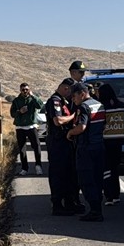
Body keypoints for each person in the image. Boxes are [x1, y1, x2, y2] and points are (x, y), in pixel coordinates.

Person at [66, 81, 106, 222]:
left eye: (74, 96)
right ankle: (97, 208)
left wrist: (70, 133)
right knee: (97, 179)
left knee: (86, 179)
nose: (73, 99)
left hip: (86, 148)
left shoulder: (83, 107)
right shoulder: (99, 105)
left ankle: (95, 211)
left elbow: (81, 127)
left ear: (82, 94)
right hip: (99, 146)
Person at [44, 78, 79, 215]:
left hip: (65, 141)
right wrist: (73, 116)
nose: (72, 95)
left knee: (69, 173)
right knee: (58, 173)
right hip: (57, 141)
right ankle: (57, 205)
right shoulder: (55, 101)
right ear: (66, 88)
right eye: (71, 91)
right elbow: (58, 121)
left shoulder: (64, 101)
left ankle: (70, 203)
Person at [96, 82, 124, 206]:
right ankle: (116, 195)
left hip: (106, 140)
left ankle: (109, 196)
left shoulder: (102, 108)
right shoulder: (122, 106)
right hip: (119, 140)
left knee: (106, 169)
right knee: (115, 168)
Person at [10, 83, 44, 175]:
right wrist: (19, 112)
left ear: (29, 90)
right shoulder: (16, 101)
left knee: (36, 146)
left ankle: (38, 166)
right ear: (20, 90)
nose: (25, 91)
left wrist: (33, 96)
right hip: (20, 127)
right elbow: (12, 114)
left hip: (31, 126)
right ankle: (24, 168)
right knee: (22, 149)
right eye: (23, 90)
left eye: (26, 89)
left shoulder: (32, 99)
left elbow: (40, 106)